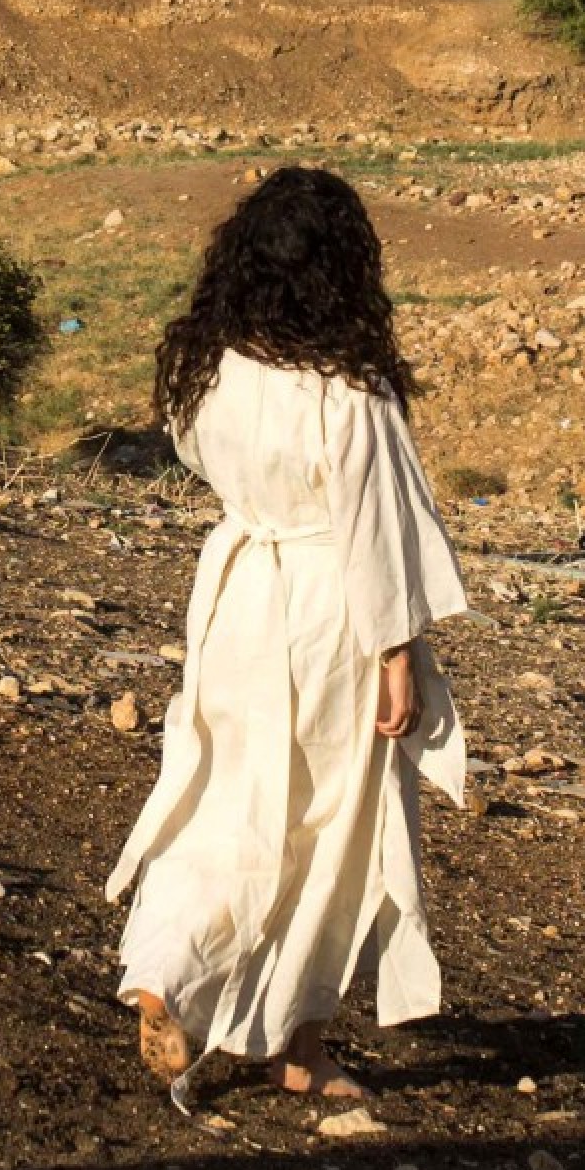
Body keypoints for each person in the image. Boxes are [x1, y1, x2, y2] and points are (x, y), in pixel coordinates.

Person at [107, 165, 468, 1106]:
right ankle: (302, 1050)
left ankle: (166, 964)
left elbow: (194, 454)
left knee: (221, 793)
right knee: (331, 826)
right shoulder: (348, 387)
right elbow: (378, 524)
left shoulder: (209, 365)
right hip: (327, 608)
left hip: (235, 597)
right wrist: (398, 654)